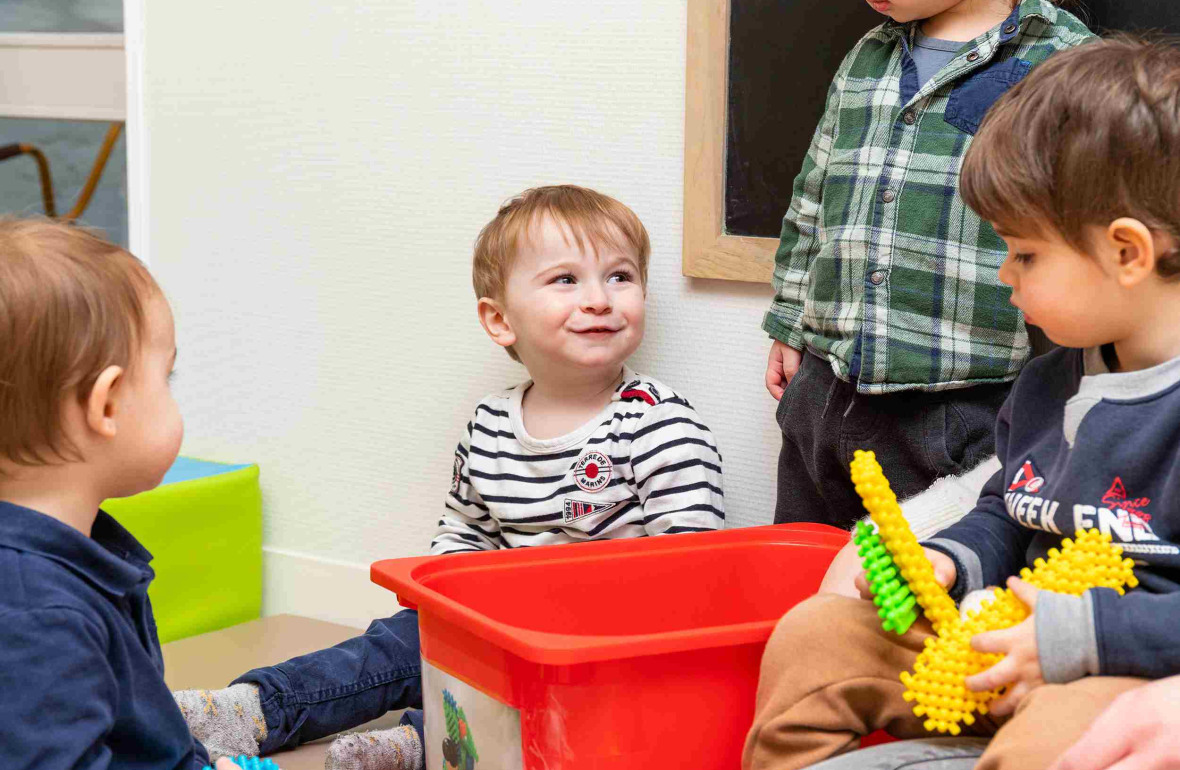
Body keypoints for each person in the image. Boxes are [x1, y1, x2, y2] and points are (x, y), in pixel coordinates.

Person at [176, 185, 726, 769]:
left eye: (620, 276)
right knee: (395, 643)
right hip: (495, 625)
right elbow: (467, 529)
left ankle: (420, 745)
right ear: (499, 319)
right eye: (566, 280)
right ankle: (257, 709)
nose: (598, 299)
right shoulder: (491, 422)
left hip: (600, 650)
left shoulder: (658, 422)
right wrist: (449, 607)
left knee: (542, 707)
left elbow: (690, 574)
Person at [745, 35, 1180, 770]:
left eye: (1025, 253)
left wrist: (1081, 638)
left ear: (1127, 253)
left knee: (1053, 746)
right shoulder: (1046, 385)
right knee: (815, 634)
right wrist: (950, 562)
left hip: (1123, 680)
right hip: (996, 645)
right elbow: (1008, 513)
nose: (1005, 274)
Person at [763, 0, 1092, 530]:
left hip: (962, 404)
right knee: (808, 579)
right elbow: (812, 199)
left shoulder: (1067, 62)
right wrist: (788, 322)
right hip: (825, 388)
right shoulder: (867, 57)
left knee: (937, 588)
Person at [0, 219, 240, 770]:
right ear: (106, 405)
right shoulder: (37, 613)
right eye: (166, 377)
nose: (171, 391)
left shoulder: (74, 556)